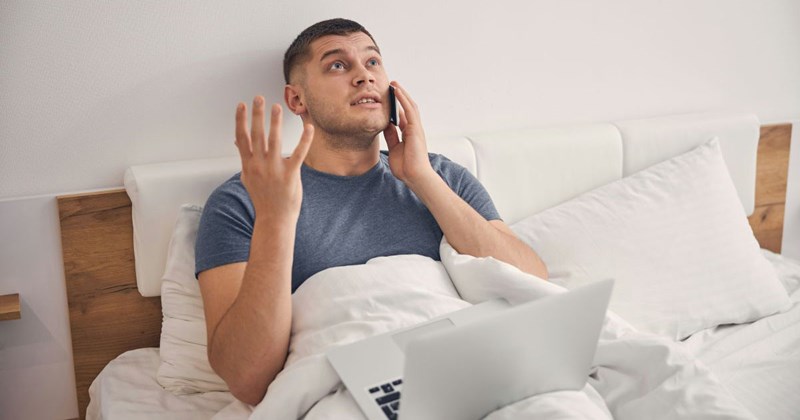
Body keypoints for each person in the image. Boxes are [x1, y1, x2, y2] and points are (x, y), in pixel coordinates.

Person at [194, 18, 548, 405]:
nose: (364, 76)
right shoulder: (245, 201)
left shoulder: (441, 176)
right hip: (356, 389)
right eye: (338, 65)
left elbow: (531, 284)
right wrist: (277, 219)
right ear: (297, 100)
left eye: (373, 62)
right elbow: (247, 379)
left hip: (473, 367)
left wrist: (420, 178)